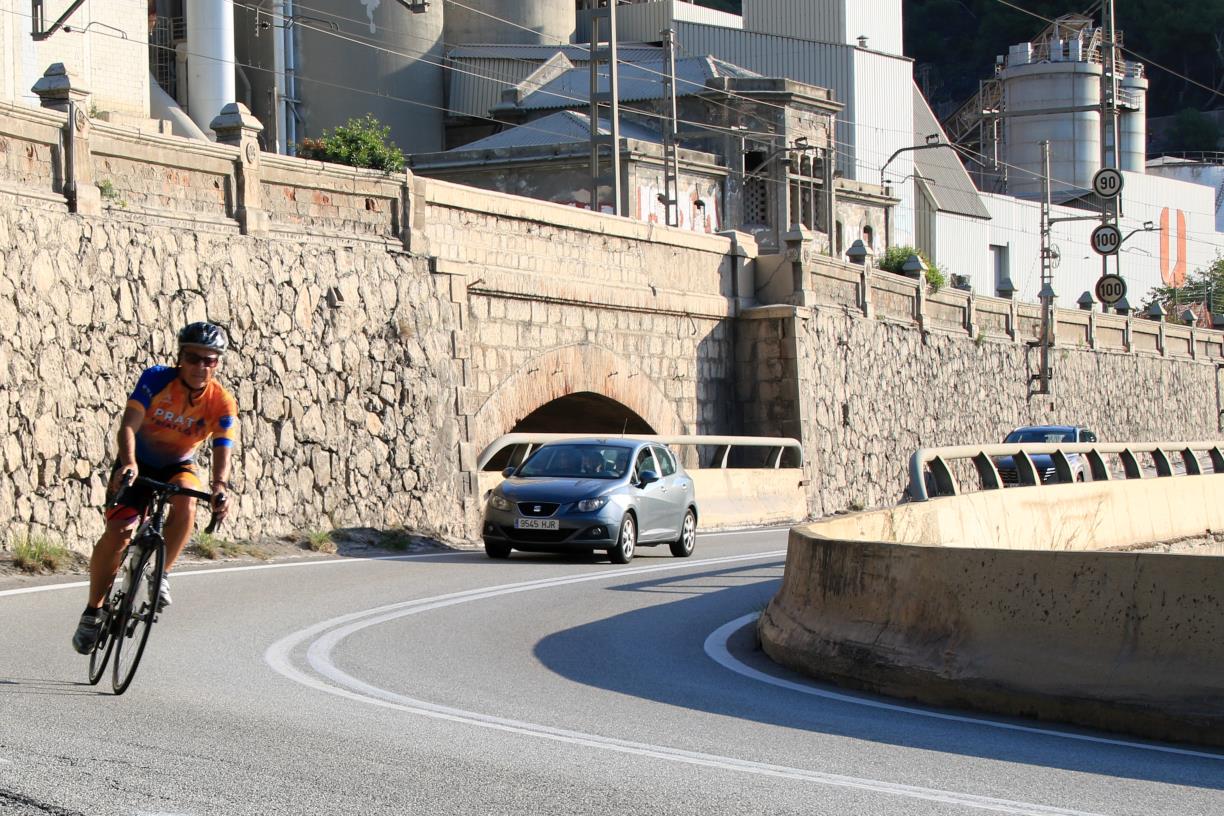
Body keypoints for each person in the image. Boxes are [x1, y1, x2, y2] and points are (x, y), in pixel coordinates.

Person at [71, 322, 237, 654]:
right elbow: (128, 425)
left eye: (210, 360)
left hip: (179, 464)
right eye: (193, 358)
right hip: (138, 461)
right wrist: (128, 462)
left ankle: (161, 573)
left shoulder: (221, 402)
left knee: (188, 502)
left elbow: (222, 448)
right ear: (180, 357)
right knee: (119, 533)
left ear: (217, 363)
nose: (200, 367)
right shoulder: (156, 378)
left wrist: (220, 487)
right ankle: (93, 611)